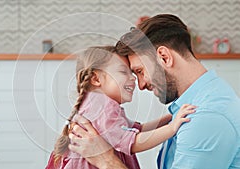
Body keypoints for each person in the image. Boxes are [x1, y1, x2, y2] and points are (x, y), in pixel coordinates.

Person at [68, 14, 240, 169]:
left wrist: (105, 160)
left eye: (140, 71)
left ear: (164, 57)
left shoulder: (207, 118)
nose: (140, 85)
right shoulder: (201, 101)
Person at [46, 46, 196, 169]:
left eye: (132, 73)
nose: (133, 79)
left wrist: (170, 117)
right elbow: (135, 142)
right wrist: (172, 128)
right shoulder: (103, 107)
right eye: (123, 72)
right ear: (96, 79)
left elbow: (139, 129)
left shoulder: (96, 104)